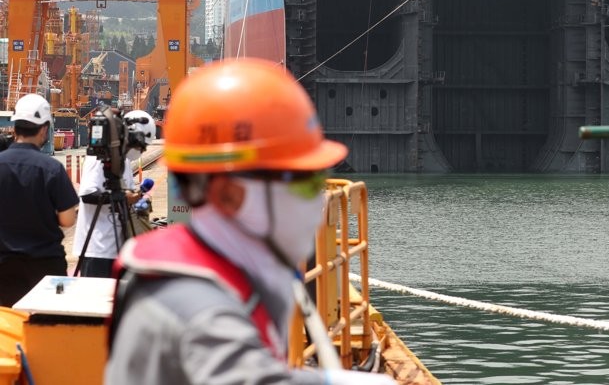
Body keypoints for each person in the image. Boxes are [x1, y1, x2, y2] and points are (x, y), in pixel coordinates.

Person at [105, 58, 394, 384]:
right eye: (305, 182)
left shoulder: (222, 271)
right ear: (230, 194)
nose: (321, 201)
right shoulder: (193, 306)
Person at [0, 93, 79, 306]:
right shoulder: (52, 168)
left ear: (15, 127)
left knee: (6, 328)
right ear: (44, 129)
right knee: (52, 323)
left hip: (4, 267)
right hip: (47, 267)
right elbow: (68, 220)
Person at [72, 109, 155, 278]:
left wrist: (133, 198)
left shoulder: (121, 159)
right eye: (140, 146)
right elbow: (87, 195)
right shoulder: (99, 157)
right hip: (97, 249)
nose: (140, 151)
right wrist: (124, 198)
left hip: (115, 246)